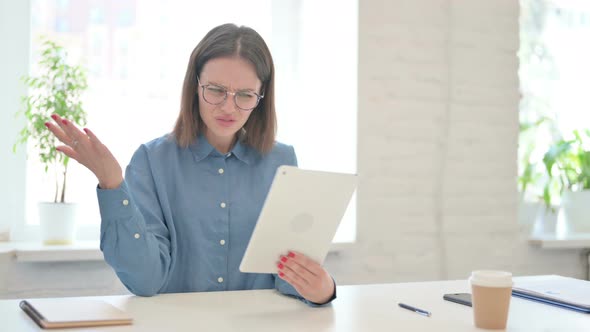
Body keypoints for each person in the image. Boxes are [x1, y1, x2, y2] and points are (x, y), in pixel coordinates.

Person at [44, 23, 336, 305]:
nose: (228, 107)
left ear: (261, 96)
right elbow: (146, 281)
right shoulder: (152, 161)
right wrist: (112, 183)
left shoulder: (281, 161)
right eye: (216, 90)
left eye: (245, 95)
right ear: (195, 86)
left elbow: (287, 278)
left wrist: (322, 290)